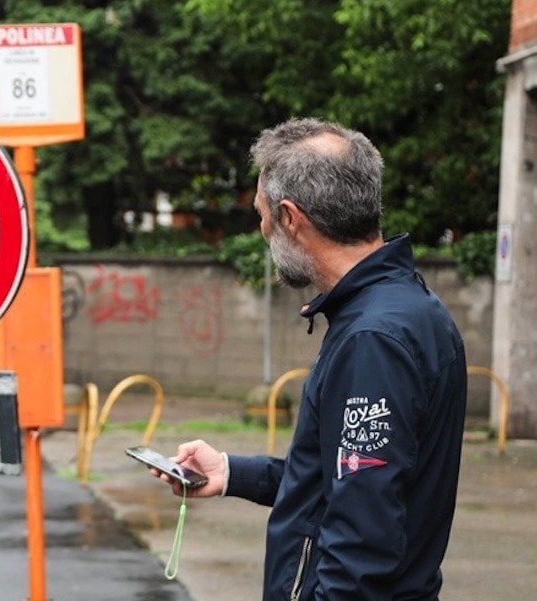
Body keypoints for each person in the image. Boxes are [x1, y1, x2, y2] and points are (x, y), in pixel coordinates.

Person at [153, 118, 467, 600]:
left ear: (290, 218)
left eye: (260, 215)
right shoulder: (408, 308)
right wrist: (232, 472)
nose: (260, 229)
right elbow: (340, 478)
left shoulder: (373, 339)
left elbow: (363, 541)